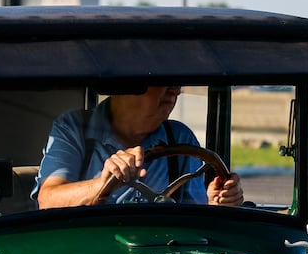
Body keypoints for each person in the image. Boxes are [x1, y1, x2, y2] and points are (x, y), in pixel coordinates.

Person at [34, 85, 244, 208]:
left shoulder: (179, 136)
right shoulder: (74, 128)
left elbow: (194, 215)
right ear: (125, 86)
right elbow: (48, 199)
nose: (175, 91)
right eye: (161, 80)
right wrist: (103, 184)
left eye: (178, 82)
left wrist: (217, 202)